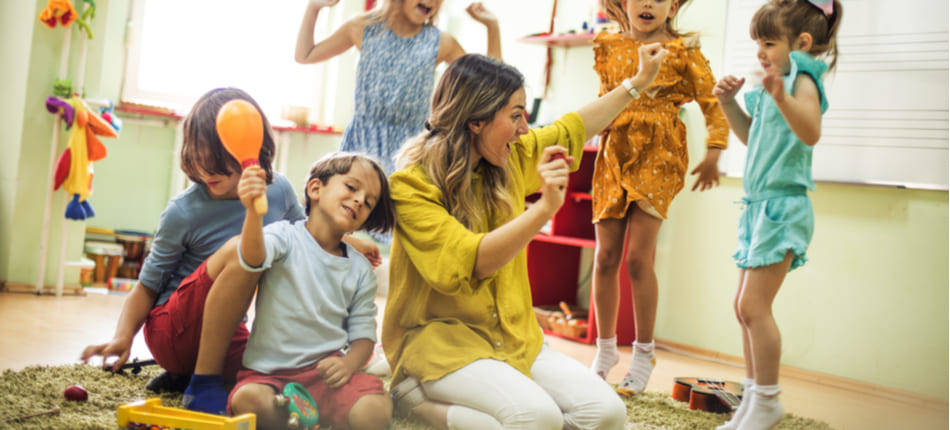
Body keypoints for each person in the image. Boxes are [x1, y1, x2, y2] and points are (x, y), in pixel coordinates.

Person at [382, 48, 667, 430]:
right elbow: (470, 261)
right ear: (476, 121)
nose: (524, 129)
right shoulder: (411, 186)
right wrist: (543, 210)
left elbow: (573, 128)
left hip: (514, 338)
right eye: (516, 115)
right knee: (537, 417)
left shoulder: (510, 157)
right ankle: (416, 402)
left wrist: (636, 85)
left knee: (608, 414)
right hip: (441, 343)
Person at [79, 88, 379, 392]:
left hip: (225, 332)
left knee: (269, 376)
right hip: (171, 329)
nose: (205, 170)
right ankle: (198, 378)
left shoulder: (276, 191)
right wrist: (123, 336)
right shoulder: (182, 212)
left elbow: (304, 237)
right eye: (196, 158)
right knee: (241, 249)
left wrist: (353, 245)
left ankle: (186, 378)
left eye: (216, 160)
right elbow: (147, 286)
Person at [586, 0, 730, 396]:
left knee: (637, 258)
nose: (648, 4)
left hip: (660, 152)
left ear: (673, 3)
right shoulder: (608, 45)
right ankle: (605, 349)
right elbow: (605, 99)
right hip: (614, 153)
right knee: (605, 257)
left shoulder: (683, 52)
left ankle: (644, 353)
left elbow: (712, 102)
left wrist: (714, 151)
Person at [712, 0, 842, 430]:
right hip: (758, 207)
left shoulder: (802, 80)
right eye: (758, 44)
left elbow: (810, 132)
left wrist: (781, 96)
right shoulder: (775, 84)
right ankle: (753, 397)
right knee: (742, 307)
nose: (760, 52)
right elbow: (752, 138)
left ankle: (767, 401)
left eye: (768, 43)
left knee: (753, 308)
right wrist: (728, 103)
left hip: (783, 208)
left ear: (801, 44)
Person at [187, 152, 396, 430]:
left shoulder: (360, 270)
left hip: (328, 380)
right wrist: (252, 212)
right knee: (249, 401)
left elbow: (364, 338)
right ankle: (295, 420)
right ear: (315, 189)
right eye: (351, 187)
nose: (359, 200)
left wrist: (348, 365)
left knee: (374, 410)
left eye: (368, 202)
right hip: (270, 377)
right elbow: (252, 258)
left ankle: (306, 420)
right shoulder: (284, 236)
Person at [295, 0, 501, 176]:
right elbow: (305, 55)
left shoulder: (440, 43)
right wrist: (313, 8)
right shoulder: (363, 28)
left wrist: (492, 28)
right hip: (360, 149)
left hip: (410, 154)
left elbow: (493, 86)